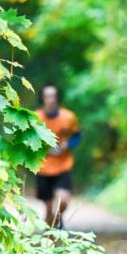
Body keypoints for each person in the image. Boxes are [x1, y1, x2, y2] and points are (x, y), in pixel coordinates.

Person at [35, 84, 81, 229]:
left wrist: (67, 145)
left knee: (63, 201)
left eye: (54, 96)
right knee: (48, 208)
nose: (51, 99)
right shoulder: (35, 118)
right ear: (42, 98)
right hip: (42, 167)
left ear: (57, 98)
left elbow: (76, 136)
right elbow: (27, 139)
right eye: (48, 96)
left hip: (63, 165)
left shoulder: (68, 117)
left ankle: (58, 218)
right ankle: (50, 235)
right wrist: (42, 148)